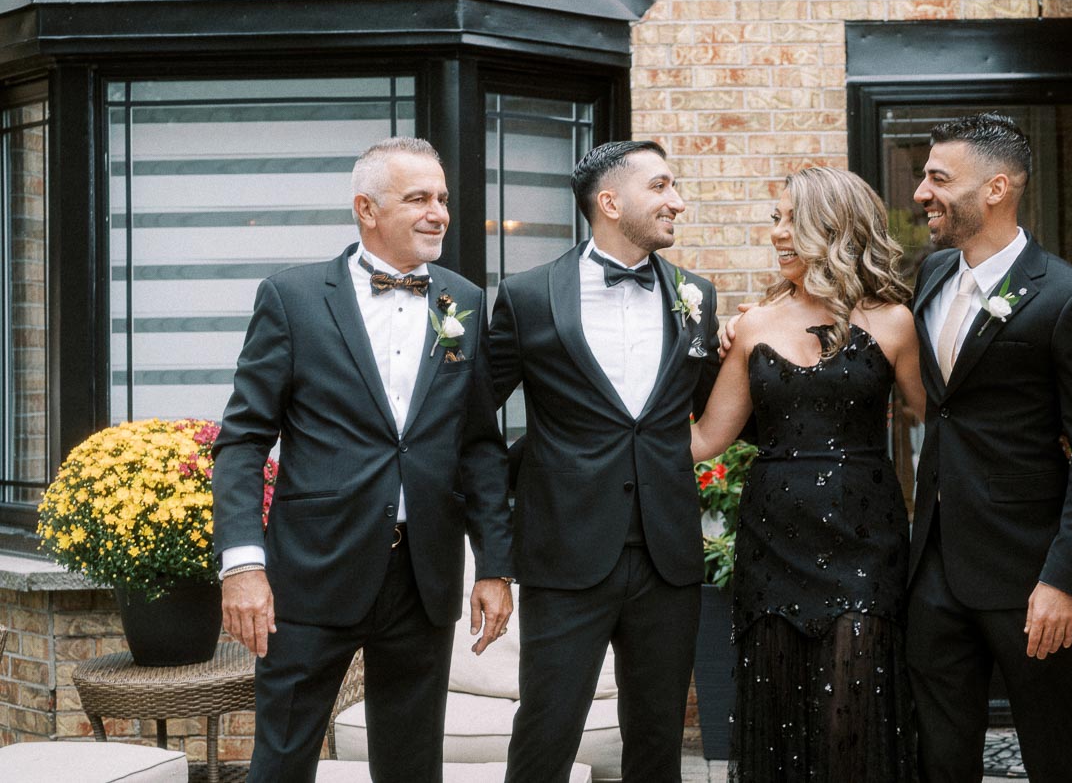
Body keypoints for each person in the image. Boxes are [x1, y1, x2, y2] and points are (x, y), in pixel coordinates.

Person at [212, 137, 515, 782]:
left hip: (424, 573)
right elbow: (242, 441)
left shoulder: (461, 300)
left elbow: (479, 446)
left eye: (442, 198)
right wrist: (242, 563)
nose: (439, 212)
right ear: (366, 210)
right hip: (311, 570)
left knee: (411, 766)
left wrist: (494, 565)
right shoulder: (292, 298)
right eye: (418, 199)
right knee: (284, 759)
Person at [488, 140, 722, 783]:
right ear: (611, 202)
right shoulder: (528, 296)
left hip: (667, 556)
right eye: (663, 187)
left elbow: (724, 411)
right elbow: (472, 423)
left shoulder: (695, 296)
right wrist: (495, 544)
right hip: (564, 558)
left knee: (657, 745)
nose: (677, 201)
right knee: (545, 736)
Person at [905, 113, 1072, 782]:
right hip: (934, 567)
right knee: (941, 756)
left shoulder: (1068, 298)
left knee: (1053, 753)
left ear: (995, 188)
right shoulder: (932, 274)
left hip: (1028, 574)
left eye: (938, 178)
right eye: (923, 176)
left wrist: (1062, 578)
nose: (921, 192)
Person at [690, 165, 925, 782]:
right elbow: (706, 439)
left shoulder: (894, 321)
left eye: (793, 219)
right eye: (776, 218)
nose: (778, 233)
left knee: (853, 716)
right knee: (780, 717)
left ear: (835, 227)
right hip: (773, 545)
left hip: (865, 544)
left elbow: (937, 423)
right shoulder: (754, 325)